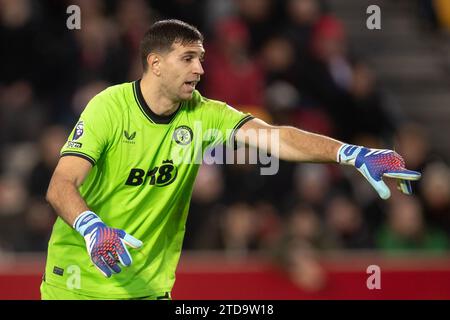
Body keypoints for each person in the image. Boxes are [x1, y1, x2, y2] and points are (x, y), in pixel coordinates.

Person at [40, 19, 421, 300]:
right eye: (188, 58)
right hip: (76, 286)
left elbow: (277, 138)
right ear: (155, 64)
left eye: (202, 59)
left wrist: (350, 153)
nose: (200, 69)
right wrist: (92, 228)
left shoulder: (205, 114)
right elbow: (60, 185)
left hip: (147, 289)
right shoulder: (109, 107)